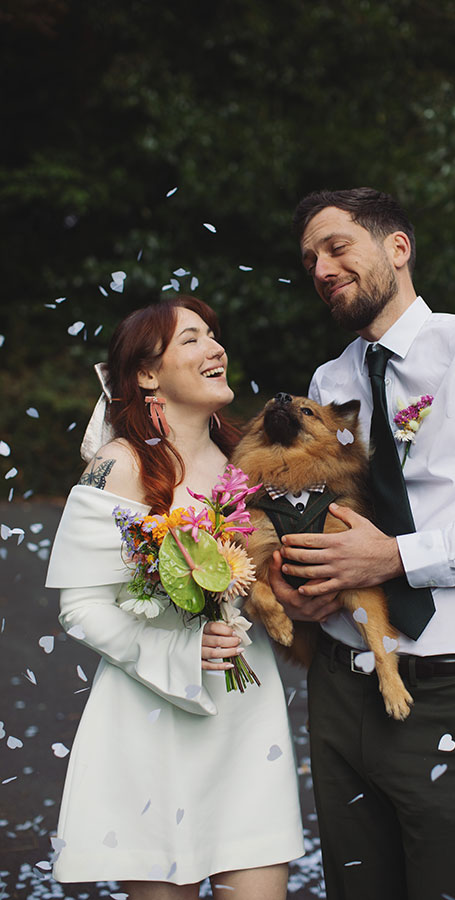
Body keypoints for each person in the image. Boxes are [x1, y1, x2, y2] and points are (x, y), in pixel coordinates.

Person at [268, 188, 455, 900]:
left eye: (337, 247)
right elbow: (323, 521)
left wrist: (399, 556)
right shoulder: (330, 381)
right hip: (340, 689)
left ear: (397, 248)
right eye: (310, 258)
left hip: (446, 693)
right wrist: (303, 585)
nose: (321, 268)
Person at [46, 295, 304, 900]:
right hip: (150, 717)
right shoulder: (121, 465)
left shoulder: (251, 463)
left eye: (213, 336)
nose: (215, 348)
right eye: (192, 339)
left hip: (245, 716)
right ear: (146, 373)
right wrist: (181, 650)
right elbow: (80, 605)